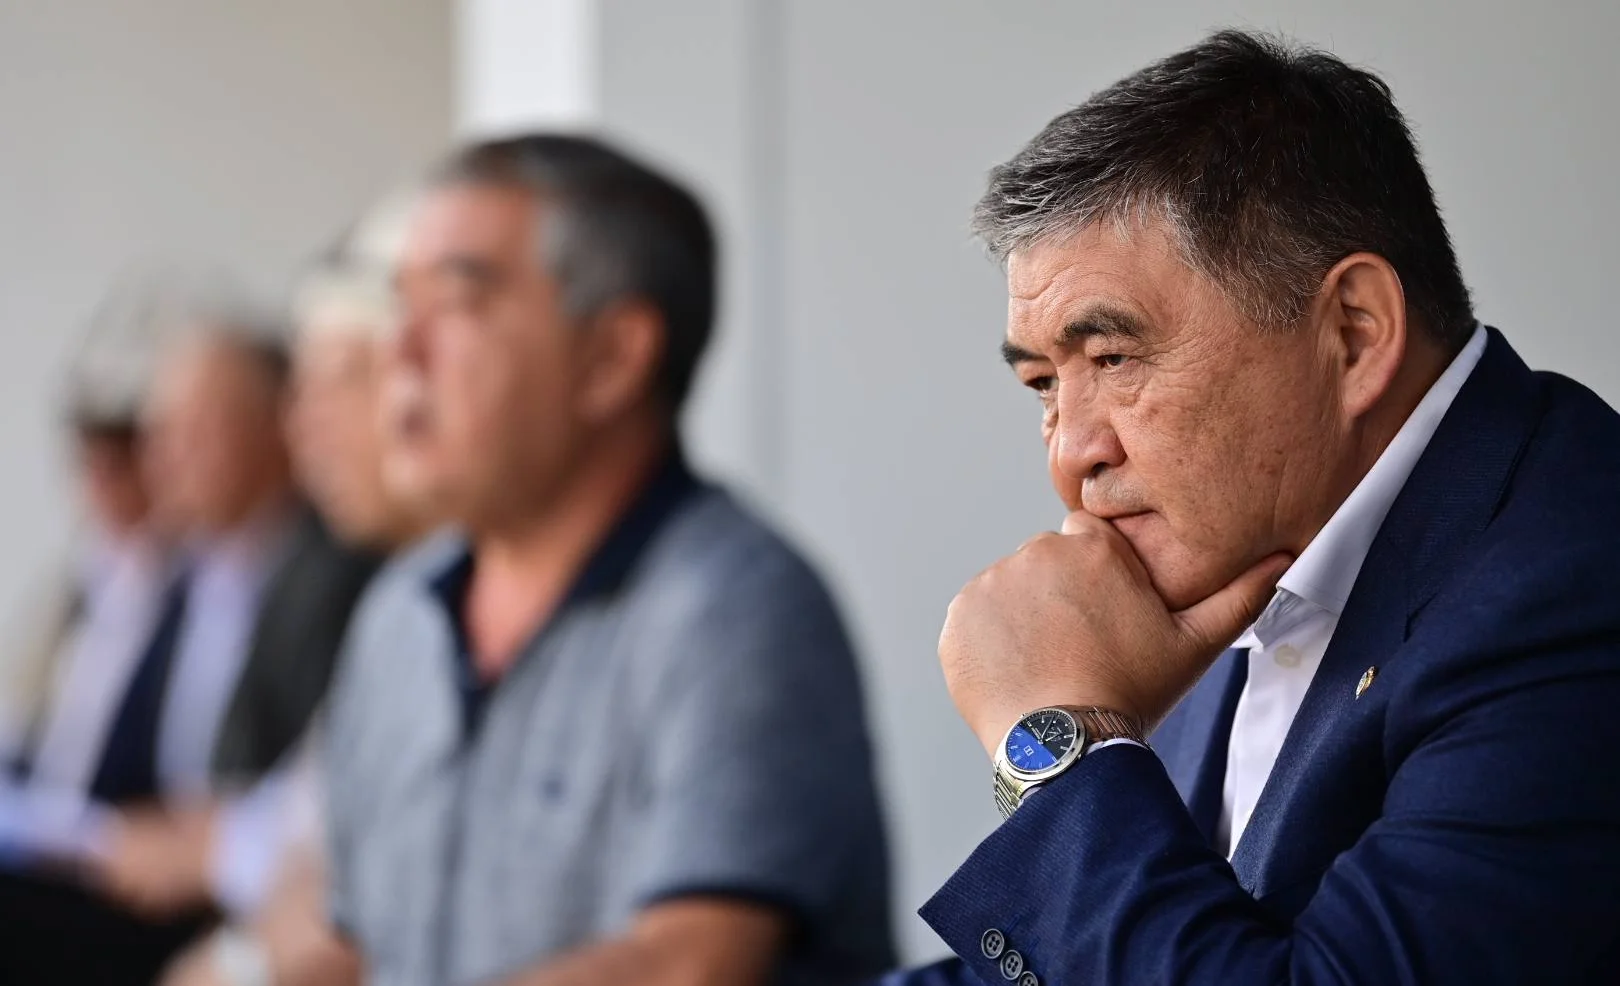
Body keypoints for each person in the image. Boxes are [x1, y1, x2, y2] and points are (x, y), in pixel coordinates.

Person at [889, 29, 1620, 986]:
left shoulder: (1575, 591)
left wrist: (1059, 742)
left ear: (1354, 333)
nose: (1072, 454)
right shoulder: (1242, 542)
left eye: (1114, 358)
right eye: (1044, 385)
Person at [322, 134, 894, 986]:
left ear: (612, 357)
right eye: (399, 304)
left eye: (456, 301)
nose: (398, 350)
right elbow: (353, 944)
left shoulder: (737, 607)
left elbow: (687, 965)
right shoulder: (398, 611)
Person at [0, 322, 383, 985]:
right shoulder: (177, 575)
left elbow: (326, 800)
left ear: (275, 428)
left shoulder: (333, 576)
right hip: (141, 872)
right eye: (159, 434)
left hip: (229, 905)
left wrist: (212, 848)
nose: (165, 458)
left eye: (197, 431)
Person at [161, 210, 437, 986]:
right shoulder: (402, 602)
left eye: (345, 378)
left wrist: (241, 956)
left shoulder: (363, 587)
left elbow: (345, 912)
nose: (305, 427)